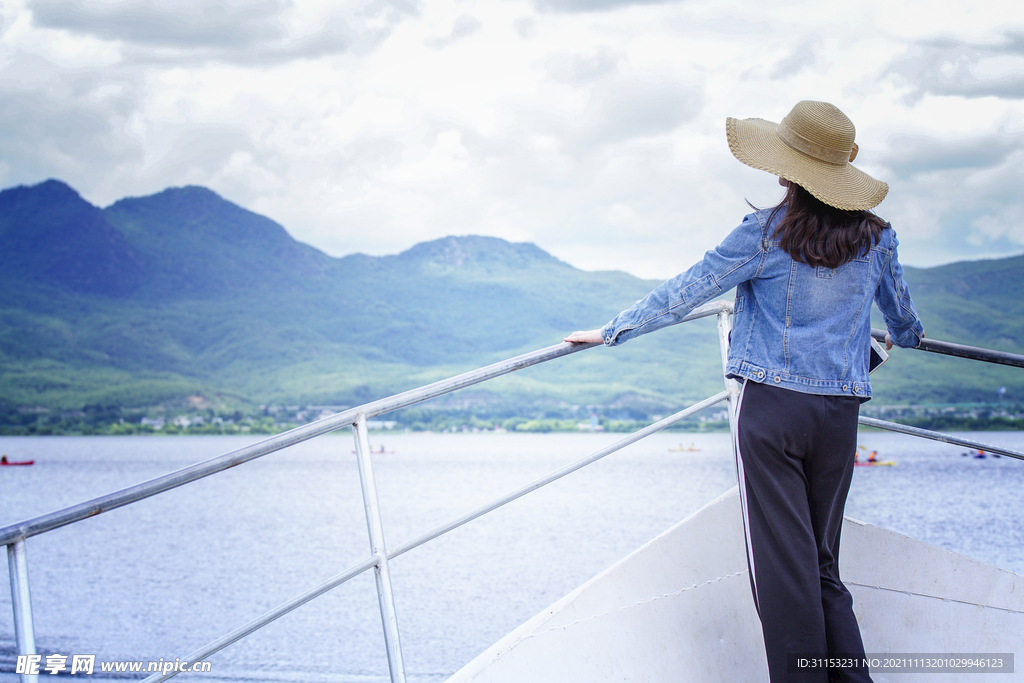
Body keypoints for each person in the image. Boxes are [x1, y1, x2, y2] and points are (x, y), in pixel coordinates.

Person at [565, 100, 925, 683]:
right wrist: (906, 336)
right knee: (823, 565)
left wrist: (612, 331)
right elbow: (903, 318)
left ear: (788, 170)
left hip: (772, 414)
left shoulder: (765, 234)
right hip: (839, 415)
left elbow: (689, 289)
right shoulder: (876, 238)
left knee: (785, 571)